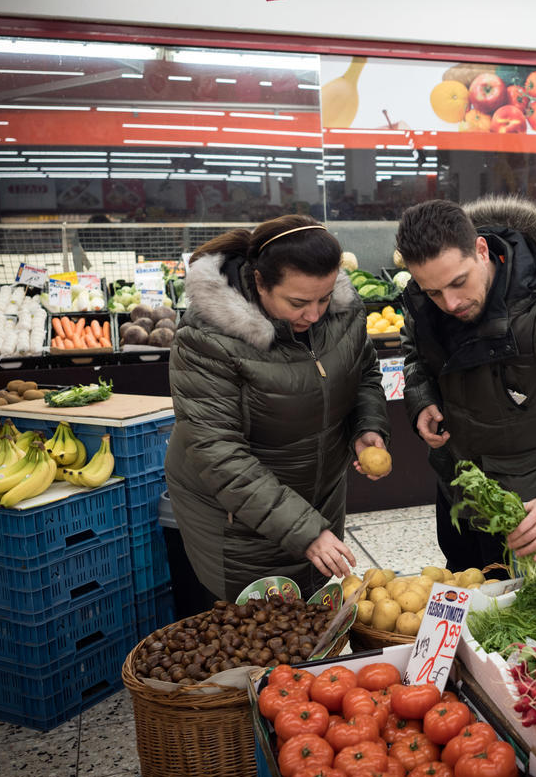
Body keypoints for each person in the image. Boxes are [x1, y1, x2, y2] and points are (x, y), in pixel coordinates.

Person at [165, 214, 390, 604]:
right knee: (254, 625)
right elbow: (219, 453)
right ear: (259, 282)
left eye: (323, 298)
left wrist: (367, 425)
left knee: (309, 613)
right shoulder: (207, 339)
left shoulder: (343, 310)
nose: (314, 314)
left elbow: (364, 371)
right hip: (236, 516)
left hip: (319, 497)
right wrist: (305, 530)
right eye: (298, 303)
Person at [395, 196, 536, 569]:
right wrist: (422, 397)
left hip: (526, 500)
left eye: (458, 282)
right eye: (434, 292)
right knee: (464, 581)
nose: (450, 303)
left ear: (481, 250)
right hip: (457, 486)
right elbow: (415, 352)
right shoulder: (424, 301)